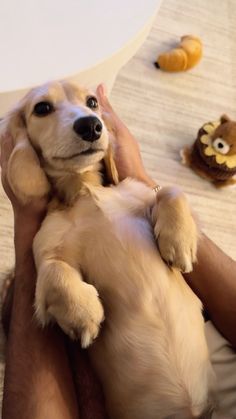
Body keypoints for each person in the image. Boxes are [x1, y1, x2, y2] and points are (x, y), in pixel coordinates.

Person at [0, 84, 236, 419]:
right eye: (43, 108)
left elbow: (164, 198)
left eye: (91, 104)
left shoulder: (136, 196)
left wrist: (172, 201)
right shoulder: (54, 227)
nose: (85, 119)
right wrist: (58, 280)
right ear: (23, 136)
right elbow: (52, 266)